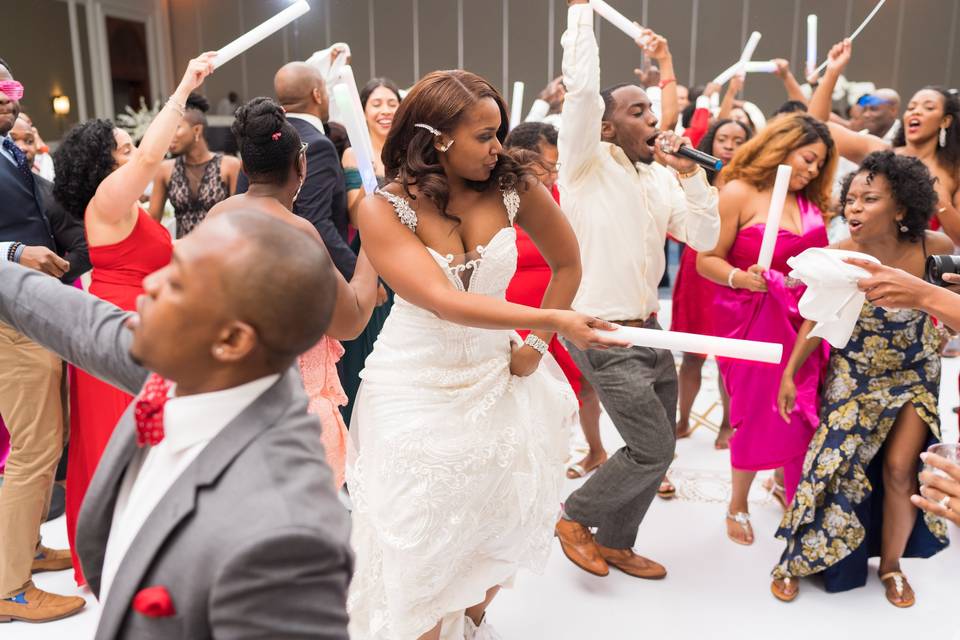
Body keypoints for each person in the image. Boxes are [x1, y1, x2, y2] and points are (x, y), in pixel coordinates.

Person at [347, 67, 624, 639]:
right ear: (439, 138)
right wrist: (550, 319)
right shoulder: (381, 209)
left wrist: (536, 346)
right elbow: (444, 302)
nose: (499, 147)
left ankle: (469, 625)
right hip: (412, 383)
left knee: (491, 521)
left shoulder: (514, 185)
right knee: (418, 533)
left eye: (498, 131)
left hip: (499, 379)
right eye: (485, 134)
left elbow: (568, 263)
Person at [0, 210, 353, 638]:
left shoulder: (285, 532)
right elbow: (73, 319)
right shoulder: (201, 365)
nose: (149, 285)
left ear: (232, 340)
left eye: (175, 282)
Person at [553, 0, 719, 579]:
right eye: (639, 110)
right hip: (600, 327)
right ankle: (574, 516)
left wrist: (692, 175)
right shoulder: (583, 163)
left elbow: (702, 234)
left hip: (652, 324)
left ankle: (618, 541)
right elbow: (581, 94)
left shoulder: (659, 177)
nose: (655, 119)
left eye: (654, 109)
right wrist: (581, 20)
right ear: (605, 126)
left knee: (661, 449)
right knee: (649, 446)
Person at [52, 53, 215, 587]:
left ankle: (152, 547)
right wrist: (184, 87)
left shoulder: (125, 208)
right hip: (119, 330)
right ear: (106, 164)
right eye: (124, 148)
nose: (136, 154)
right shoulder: (107, 200)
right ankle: (125, 553)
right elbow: (151, 158)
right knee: (123, 441)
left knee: (148, 440)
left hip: (141, 321)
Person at [772, 151, 952, 606]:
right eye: (850, 199)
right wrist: (790, 373)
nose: (853, 208)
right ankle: (793, 559)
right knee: (829, 464)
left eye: (868, 199)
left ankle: (891, 568)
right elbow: (815, 321)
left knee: (899, 471)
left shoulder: (931, 246)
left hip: (916, 371)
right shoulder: (842, 256)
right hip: (856, 373)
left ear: (900, 208)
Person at [207, 97, 379, 488]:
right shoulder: (297, 231)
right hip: (288, 408)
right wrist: (372, 239)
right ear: (300, 164)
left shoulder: (219, 216)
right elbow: (350, 321)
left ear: (247, 167)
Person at [697, 113, 837, 545]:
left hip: (806, 318)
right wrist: (742, 277)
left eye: (819, 166)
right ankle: (738, 501)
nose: (812, 171)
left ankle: (782, 481)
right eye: (808, 159)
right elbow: (708, 259)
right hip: (751, 316)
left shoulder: (813, 203)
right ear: (782, 146)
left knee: (799, 409)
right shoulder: (737, 192)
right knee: (756, 410)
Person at [0, 56, 87, 623]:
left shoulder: (10, 147)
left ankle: (26, 547)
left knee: (44, 442)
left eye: (8, 88)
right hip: (8, 313)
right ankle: (9, 590)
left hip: (30, 309)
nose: (7, 99)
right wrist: (13, 253)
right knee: (33, 448)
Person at [504, 121, 606, 479]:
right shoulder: (495, 199)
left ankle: (595, 448)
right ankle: (527, 460)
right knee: (522, 391)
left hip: (560, 306)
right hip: (514, 312)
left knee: (582, 383)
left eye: (554, 167)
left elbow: (574, 260)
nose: (551, 175)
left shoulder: (560, 199)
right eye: (545, 166)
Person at [809, 40, 960, 243]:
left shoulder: (953, 171)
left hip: (916, 266)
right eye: (912, 106)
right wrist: (832, 73)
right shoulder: (881, 152)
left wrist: (940, 201)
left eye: (928, 107)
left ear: (945, 120)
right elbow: (816, 126)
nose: (916, 111)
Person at [671, 118, 752, 448]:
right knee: (691, 354)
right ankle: (683, 417)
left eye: (738, 139)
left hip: (731, 270)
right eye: (723, 138)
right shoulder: (694, 175)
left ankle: (727, 423)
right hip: (695, 270)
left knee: (726, 357)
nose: (730, 145)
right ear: (710, 143)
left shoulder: (753, 184)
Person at [339, 77, 401, 424]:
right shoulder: (353, 153)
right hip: (370, 253)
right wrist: (371, 181)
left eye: (391, 103)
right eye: (376, 104)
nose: (385, 110)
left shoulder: (410, 149)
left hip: (410, 249)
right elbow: (353, 215)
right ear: (362, 112)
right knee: (370, 344)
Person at [273, 62, 357, 281]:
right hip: (311, 275)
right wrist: (356, 273)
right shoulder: (316, 144)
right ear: (317, 94)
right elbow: (316, 221)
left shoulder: (265, 136)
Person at [148, 92, 241, 237]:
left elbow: (240, 217)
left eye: (175, 128)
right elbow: (152, 222)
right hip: (183, 254)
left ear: (197, 130)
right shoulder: (165, 170)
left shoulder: (230, 165)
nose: (169, 135)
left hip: (222, 253)